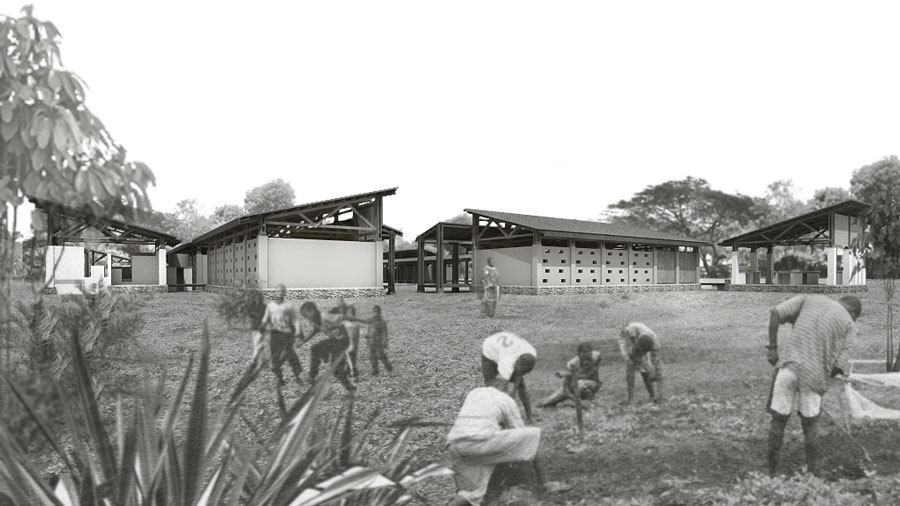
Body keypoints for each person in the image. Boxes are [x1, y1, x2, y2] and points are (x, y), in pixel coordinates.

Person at [765, 295, 861, 477]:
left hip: (788, 368)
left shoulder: (809, 299)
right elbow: (838, 366)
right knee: (810, 425)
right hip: (814, 378)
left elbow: (775, 313)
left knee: (778, 421)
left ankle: (771, 475)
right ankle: (813, 477)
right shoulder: (849, 325)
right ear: (853, 312)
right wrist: (826, 377)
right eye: (855, 317)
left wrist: (772, 349)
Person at [446, 378, 569, 506]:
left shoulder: (475, 392)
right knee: (534, 435)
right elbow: (519, 431)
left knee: (471, 495)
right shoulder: (505, 399)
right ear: (505, 388)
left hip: (454, 443)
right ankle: (547, 484)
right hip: (479, 442)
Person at [300, 301, 356, 392]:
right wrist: (303, 342)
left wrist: (364, 320)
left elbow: (344, 317)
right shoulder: (316, 321)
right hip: (334, 342)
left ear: (313, 310)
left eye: (306, 315)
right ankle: (312, 376)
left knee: (335, 368)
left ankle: (351, 389)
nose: (307, 318)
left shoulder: (325, 316)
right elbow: (315, 331)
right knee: (316, 349)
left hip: (342, 342)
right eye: (304, 316)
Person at [481, 331, 536, 423]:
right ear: (516, 362)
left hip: (505, 346)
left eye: (525, 372)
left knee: (521, 385)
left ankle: (529, 417)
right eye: (521, 371)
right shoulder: (507, 362)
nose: (523, 374)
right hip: (490, 349)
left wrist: (516, 384)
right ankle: (491, 415)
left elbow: (518, 381)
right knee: (491, 386)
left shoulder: (531, 353)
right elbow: (502, 389)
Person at [259, 284, 303, 386]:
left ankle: (298, 376)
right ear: (275, 292)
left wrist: (297, 330)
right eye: (278, 291)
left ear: (285, 292)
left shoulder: (289, 305)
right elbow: (265, 319)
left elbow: (295, 319)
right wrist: (262, 328)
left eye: (282, 291)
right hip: (274, 335)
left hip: (287, 334)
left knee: (290, 354)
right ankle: (280, 379)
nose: (280, 293)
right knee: (275, 356)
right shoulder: (270, 306)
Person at [537, 342, 602, 408]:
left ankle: (587, 398)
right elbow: (566, 388)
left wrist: (570, 374)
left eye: (589, 357)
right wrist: (577, 401)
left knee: (580, 384)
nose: (587, 361)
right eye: (585, 358)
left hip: (593, 384)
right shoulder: (572, 364)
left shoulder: (596, 356)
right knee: (545, 402)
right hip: (573, 386)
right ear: (578, 354)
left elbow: (590, 375)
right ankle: (571, 403)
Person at [619, 322, 663, 404]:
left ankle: (654, 396)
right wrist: (628, 358)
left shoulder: (646, 336)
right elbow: (625, 347)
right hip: (633, 350)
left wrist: (646, 365)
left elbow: (648, 351)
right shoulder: (628, 331)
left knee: (647, 371)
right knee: (631, 371)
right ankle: (631, 399)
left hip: (646, 343)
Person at [343, 305, 361, 378]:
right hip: (347, 343)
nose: (351, 314)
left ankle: (351, 370)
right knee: (348, 357)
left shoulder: (356, 324)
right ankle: (350, 370)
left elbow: (357, 334)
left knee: (352, 357)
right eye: (350, 312)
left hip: (353, 343)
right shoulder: (345, 324)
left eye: (353, 313)